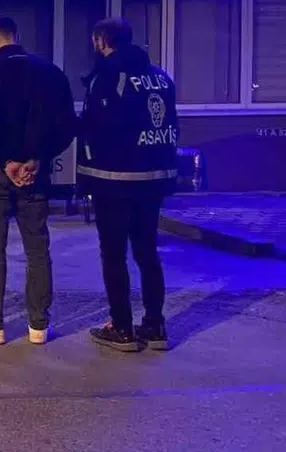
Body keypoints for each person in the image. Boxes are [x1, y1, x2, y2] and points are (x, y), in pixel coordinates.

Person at [0, 15, 76, 345]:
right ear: (16, 35)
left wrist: (6, 161)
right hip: (35, 173)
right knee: (37, 247)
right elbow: (66, 125)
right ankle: (38, 325)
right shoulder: (50, 73)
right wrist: (36, 158)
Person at [80, 18, 178, 352]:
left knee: (114, 255)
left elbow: (95, 126)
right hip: (154, 179)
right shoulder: (160, 76)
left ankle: (121, 327)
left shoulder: (107, 75)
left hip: (115, 180)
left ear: (102, 40)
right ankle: (155, 325)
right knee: (147, 252)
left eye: (95, 39)